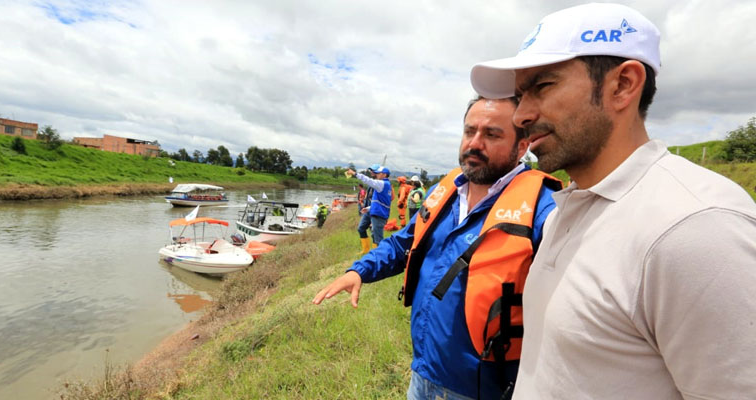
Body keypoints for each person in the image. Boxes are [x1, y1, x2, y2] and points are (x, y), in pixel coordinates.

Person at [470, 3, 756, 399]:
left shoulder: (697, 227)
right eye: (520, 95)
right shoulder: (567, 210)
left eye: (542, 86)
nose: (520, 115)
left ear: (622, 85)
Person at [314, 97, 561, 399]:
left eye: (492, 134)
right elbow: (404, 242)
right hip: (423, 373)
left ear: (522, 147)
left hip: (483, 389)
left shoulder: (544, 207)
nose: (475, 143)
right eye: (470, 132)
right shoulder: (444, 193)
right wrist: (359, 271)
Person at [349, 165, 392, 248]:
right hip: (376, 212)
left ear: (384, 174)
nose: (376, 175)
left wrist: (355, 173)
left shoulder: (382, 183)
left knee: (378, 239)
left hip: (379, 214)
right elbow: (379, 202)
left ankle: (380, 257)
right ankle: (371, 252)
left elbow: (368, 180)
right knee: (375, 236)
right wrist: (369, 208)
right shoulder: (385, 184)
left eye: (378, 173)